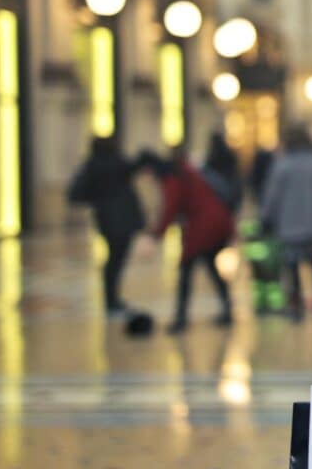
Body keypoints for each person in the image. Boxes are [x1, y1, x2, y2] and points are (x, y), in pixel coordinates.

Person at [139, 148, 235, 334]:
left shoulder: (173, 178)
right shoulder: (183, 172)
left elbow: (170, 209)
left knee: (186, 271)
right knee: (210, 268)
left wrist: (155, 235)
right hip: (216, 221)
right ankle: (227, 310)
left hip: (204, 226)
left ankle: (181, 318)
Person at [260, 125, 312, 319]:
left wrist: (266, 218)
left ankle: (295, 305)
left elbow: (272, 197)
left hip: (287, 226)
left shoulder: (281, 165)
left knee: (291, 267)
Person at [67, 136, 145, 316]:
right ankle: (112, 300)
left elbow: (75, 193)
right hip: (123, 220)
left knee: (113, 260)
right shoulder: (116, 163)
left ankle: (111, 299)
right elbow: (134, 167)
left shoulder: (92, 166)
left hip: (106, 220)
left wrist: (97, 199)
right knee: (116, 260)